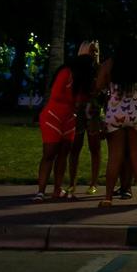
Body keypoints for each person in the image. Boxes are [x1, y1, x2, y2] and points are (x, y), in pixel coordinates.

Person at [97, 39, 137, 207]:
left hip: (115, 113)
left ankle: (108, 197)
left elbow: (98, 85)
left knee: (114, 157)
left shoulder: (110, 64)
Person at [32, 52, 94, 201]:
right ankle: (40, 191)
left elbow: (84, 99)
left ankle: (57, 189)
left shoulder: (81, 83)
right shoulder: (66, 73)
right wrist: (74, 101)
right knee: (49, 153)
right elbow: (56, 94)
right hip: (53, 117)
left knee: (63, 154)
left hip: (69, 119)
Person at [66, 41, 104, 195]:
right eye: (91, 51)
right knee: (75, 146)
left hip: (94, 109)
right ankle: (72, 183)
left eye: (96, 51)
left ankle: (93, 183)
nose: (94, 54)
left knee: (94, 147)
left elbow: (103, 89)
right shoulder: (76, 69)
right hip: (79, 108)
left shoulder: (100, 69)